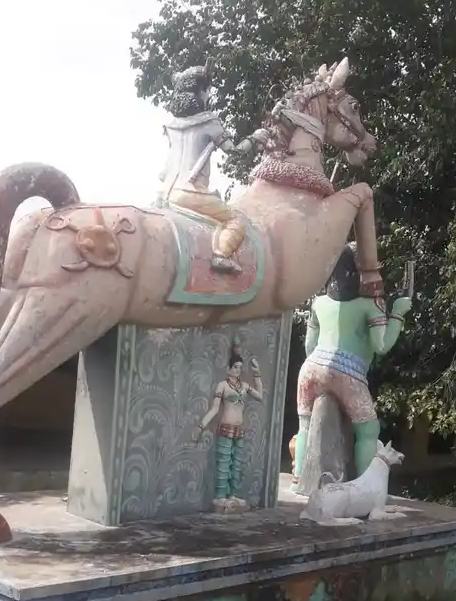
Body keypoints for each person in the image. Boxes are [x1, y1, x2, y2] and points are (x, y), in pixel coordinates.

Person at [293, 243, 413, 481]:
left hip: (311, 368)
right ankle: (364, 483)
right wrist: (398, 313)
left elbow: (309, 345)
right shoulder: (371, 305)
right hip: (347, 372)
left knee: (305, 425)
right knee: (368, 430)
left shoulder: (319, 303)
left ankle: (299, 476)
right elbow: (382, 346)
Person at [158, 61, 270, 274]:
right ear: (201, 91)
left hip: (166, 194)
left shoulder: (170, 125)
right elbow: (235, 151)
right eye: (207, 90)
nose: (209, 95)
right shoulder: (209, 121)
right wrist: (255, 139)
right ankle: (221, 255)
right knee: (235, 220)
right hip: (190, 194)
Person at [194, 345, 264, 512]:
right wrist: (201, 426)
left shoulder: (245, 386)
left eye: (240, 368)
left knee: (237, 463)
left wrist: (257, 373)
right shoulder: (222, 386)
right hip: (226, 428)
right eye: (235, 368)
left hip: (239, 429)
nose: (238, 371)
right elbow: (214, 409)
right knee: (224, 462)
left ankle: (233, 495)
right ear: (228, 369)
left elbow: (260, 396)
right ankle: (220, 496)